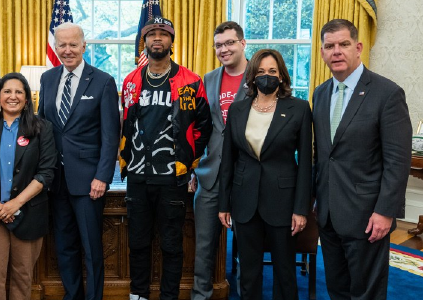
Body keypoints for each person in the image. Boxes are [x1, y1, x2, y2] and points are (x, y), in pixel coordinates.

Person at [312, 19, 411, 299]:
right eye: (329, 46)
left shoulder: (387, 93)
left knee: (366, 292)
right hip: (329, 214)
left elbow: (397, 161)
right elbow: (322, 156)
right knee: (337, 288)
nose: (337, 51)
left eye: (343, 44)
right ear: (322, 53)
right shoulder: (320, 94)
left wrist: (385, 212)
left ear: (358, 48)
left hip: (368, 216)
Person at [120, 16, 212, 300]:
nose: (157, 38)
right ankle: (139, 294)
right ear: (144, 41)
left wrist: (188, 161)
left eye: (163, 34)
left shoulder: (191, 81)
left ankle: (169, 296)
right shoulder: (131, 81)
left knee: (171, 243)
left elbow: (203, 127)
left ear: (172, 41)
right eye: (151, 34)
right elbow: (123, 123)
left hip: (172, 176)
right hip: (137, 175)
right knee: (137, 241)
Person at [218, 48, 312, 300]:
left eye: (272, 71)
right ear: (252, 76)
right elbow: (228, 160)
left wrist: (301, 208)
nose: (266, 76)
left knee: (284, 273)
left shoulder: (300, 109)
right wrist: (223, 203)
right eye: (260, 71)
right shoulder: (238, 110)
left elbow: (305, 163)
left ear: (281, 75)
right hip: (244, 200)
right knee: (248, 272)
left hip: (283, 203)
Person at [38, 22, 120, 300]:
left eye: (73, 44)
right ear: (55, 47)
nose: (67, 50)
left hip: (88, 182)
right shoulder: (47, 79)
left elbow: (111, 136)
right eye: (62, 44)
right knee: (64, 246)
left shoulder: (103, 81)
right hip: (56, 181)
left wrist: (103, 177)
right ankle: (72, 295)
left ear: (84, 46)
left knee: (91, 248)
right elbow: (43, 128)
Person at [0, 72, 57, 299]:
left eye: (19, 92)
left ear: (27, 99)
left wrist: (13, 205)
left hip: (27, 213)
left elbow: (46, 173)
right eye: (7, 91)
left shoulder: (42, 128)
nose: (13, 96)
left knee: (23, 276)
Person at [190, 21, 248, 300]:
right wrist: (193, 167)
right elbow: (202, 128)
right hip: (210, 173)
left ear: (242, 44)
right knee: (203, 245)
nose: (223, 49)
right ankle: (200, 295)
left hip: (247, 173)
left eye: (229, 43)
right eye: (218, 45)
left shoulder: (260, 76)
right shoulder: (208, 79)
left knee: (249, 246)